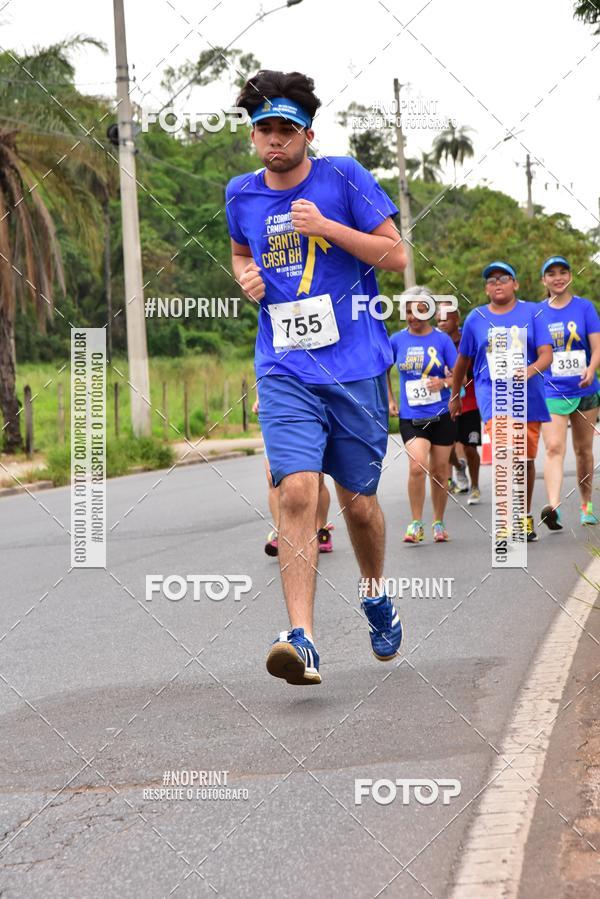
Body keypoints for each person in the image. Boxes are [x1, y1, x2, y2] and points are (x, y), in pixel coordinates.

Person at [226, 70, 407, 685]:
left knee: (358, 504)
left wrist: (327, 227)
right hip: (284, 366)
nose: (274, 139)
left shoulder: (344, 177)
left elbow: (396, 254)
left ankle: (375, 593)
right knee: (298, 492)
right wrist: (245, 278)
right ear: (253, 136)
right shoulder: (240, 194)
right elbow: (242, 253)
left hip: (354, 366)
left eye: (286, 129)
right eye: (264, 129)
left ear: (307, 133)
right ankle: (300, 638)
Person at [450, 261, 553, 542]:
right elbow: (462, 362)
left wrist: (530, 370)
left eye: (504, 278)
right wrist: (455, 396)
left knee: (525, 459)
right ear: (486, 289)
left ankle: (524, 516)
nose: (497, 283)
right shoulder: (476, 318)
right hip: (493, 395)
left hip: (528, 396)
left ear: (515, 284)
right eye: (491, 280)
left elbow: (546, 354)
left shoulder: (533, 312)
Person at [388, 289, 457, 543]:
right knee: (417, 465)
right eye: (408, 311)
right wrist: (390, 399)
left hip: (441, 414)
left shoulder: (442, 340)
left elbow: (459, 376)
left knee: (439, 472)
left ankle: (438, 522)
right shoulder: (396, 340)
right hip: (412, 417)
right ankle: (416, 523)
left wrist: (444, 383)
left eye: (419, 310)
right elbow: (382, 370)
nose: (413, 316)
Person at [538, 256, 600, 529]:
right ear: (544, 280)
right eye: (551, 273)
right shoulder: (537, 313)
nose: (558, 277)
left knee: (583, 451)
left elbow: (597, 347)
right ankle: (554, 507)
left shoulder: (585, 308)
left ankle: (587, 505)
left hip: (585, 389)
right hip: (552, 390)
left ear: (570, 276)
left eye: (563, 272)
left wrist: (591, 368)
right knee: (554, 447)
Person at [252, 395, 334, 554]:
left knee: (317, 479)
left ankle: (321, 529)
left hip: (307, 412)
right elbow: (261, 378)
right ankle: (281, 534)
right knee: (272, 479)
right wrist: (259, 398)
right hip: (275, 413)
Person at [436, 300, 482, 505]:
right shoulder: (434, 342)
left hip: (469, 401)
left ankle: (475, 486)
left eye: (445, 318)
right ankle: (458, 467)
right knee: (446, 448)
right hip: (443, 403)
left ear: (456, 319)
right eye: (438, 320)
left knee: (470, 448)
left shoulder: (468, 339)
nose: (441, 323)